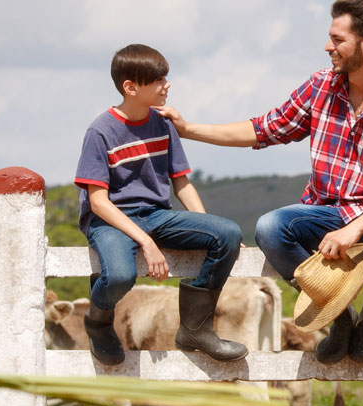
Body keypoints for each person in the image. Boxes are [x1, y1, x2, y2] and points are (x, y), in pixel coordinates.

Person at [156, 0, 363, 364]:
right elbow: (265, 128)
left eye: (337, 39)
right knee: (270, 227)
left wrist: (355, 229)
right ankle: (340, 315)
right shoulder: (321, 86)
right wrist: (189, 129)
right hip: (324, 214)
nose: (327, 46)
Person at [74, 43, 247, 366]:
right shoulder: (100, 132)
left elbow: (180, 181)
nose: (167, 85)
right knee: (121, 276)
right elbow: (98, 203)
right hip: (111, 219)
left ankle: (195, 328)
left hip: (156, 214)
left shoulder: (163, 124)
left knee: (226, 233)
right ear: (131, 87)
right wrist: (146, 243)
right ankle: (97, 320)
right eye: (158, 80)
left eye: (166, 78)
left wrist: (206, 226)